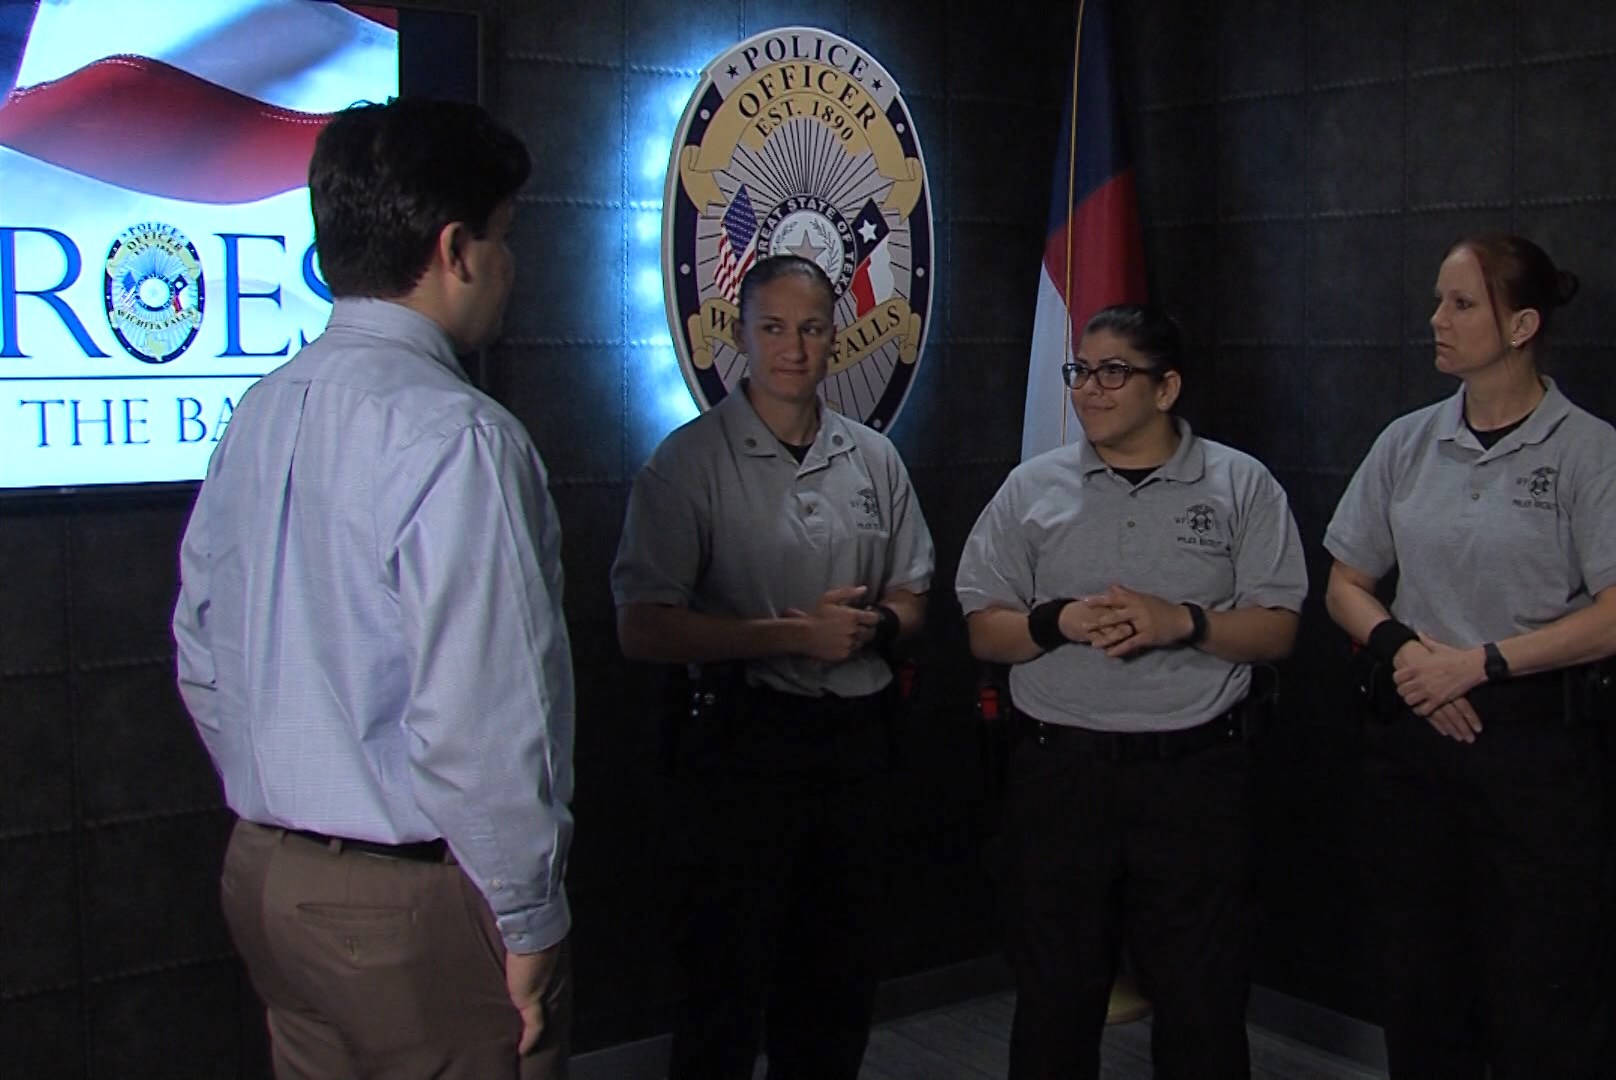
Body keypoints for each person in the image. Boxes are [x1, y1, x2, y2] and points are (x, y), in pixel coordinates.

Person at [172, 99, 572, 1077]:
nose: (511, 267)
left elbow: (199, 648)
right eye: (506, 236)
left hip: (265, 873)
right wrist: (530, 919)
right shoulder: (460, 436)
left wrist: (288, 789)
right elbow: (483, 720)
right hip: (408, 906)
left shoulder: (257, 412)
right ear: (456, 249)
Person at [1324, 234, 1616, 1079]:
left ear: (1521, 325)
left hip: (1531, 747)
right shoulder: (1407, 441)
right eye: (1439, 301)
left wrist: (1481, 665)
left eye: (1461, 304)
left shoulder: (1587, 450)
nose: (1436, 320)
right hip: (1415, 732)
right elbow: (1344, 583)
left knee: (1538, 992)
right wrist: (1410, 658)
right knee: (1418, 983)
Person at [955, 303, 1308, 1080]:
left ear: (1167, 386)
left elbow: (1277, 630)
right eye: (1080, 371)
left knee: (1202, 1001)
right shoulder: (1031, 487)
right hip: (1060, 777)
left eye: (1114, 372)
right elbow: (985, 629)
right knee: (1054, 997)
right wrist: (1062, 621)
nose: (1089, 389)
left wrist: (1179, 621)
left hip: (1194, 778)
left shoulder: (1240, 484)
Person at [611, 254, 934, 1080]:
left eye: (813, 329)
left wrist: (874, 629)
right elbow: (644, 629)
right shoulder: (686, 463)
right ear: (740, 336)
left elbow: (914, 592)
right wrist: (785, 637)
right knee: (723, 984)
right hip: (741, 743)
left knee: (835, 981)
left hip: (857, 743)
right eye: (775, 329)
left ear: (837, 338)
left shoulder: (873, 458)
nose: (795, 349)